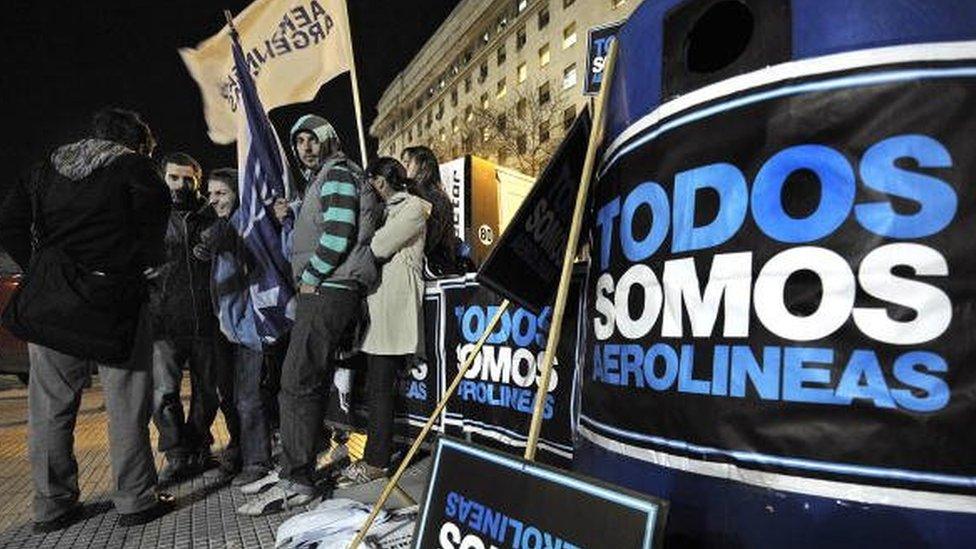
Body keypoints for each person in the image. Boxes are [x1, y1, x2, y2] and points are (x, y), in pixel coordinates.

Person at [0, 108, 172, 530]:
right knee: (126, 405)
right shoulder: (134, 167)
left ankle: (51, 506)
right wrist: (140, 262)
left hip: (53, 303)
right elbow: (155, 225)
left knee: (49, 409)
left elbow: (8, 223)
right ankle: (134, 500)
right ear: (136, 143)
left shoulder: (45, 169)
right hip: (113, 301)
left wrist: (43, 269)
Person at [239, 117, 382, 516]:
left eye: (311, 138)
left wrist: (311, 278)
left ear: (329, 140)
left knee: (297, 379)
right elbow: (320, 228)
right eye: (298, 140)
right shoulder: (327, 178)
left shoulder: (335, 174)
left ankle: (298, 480)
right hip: (328, 287)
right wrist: (293, 217)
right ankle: (296, 466)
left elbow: (337, 233)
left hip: (328, 288)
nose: (304, 146)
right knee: (305, 379)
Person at [336, 158, 430, 487]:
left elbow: (377, 246)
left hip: (393, 309)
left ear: (380, 181)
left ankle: (376, 461)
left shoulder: (414, 207)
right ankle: (376, 453)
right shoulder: (383, 210)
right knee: (376, 388)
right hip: (376, 309)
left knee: (380, 389)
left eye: (369, 182)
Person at [148, 152, 240, 486]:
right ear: (163, 177)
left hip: (206, 319)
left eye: (188, 179)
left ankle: (199, 446)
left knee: (207, 393)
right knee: (163, 394)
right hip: (164, 321)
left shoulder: (210, 213)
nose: (181, 185)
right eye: (174, 177)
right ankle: (177, 454)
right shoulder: (149, 214)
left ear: (197, 181)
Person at [197, 168, 276, 487]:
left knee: (249, 396)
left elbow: (259, 268)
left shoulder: (248, 225)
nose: (214, 200)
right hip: (227, 326)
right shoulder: (221, 226)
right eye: (211, 193)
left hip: (250, 326)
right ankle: (242, 450)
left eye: (221, 194)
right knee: (231, 394)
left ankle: (258, 461)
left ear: (237, 194)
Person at [401, 146, 470, 276]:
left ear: (422, 166)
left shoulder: (436, 198)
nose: (404, 167)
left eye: (408, 163)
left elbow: (429, 240)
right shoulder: (410, 194)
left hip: (432, 269)